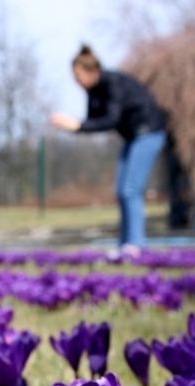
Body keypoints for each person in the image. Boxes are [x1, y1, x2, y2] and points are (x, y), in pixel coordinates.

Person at [50, 45, 168, 249]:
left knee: (130, 189)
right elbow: (93, 122)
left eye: (77, 74)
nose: (75, 80)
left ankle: (135, 245)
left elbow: (111, 119)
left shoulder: (112, 83)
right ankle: (125, 244)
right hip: (132, 137)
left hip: (148, 133)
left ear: (91, 71)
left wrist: (77, 125)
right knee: (122, 190)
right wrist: (76, 127)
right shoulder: (92, 91)